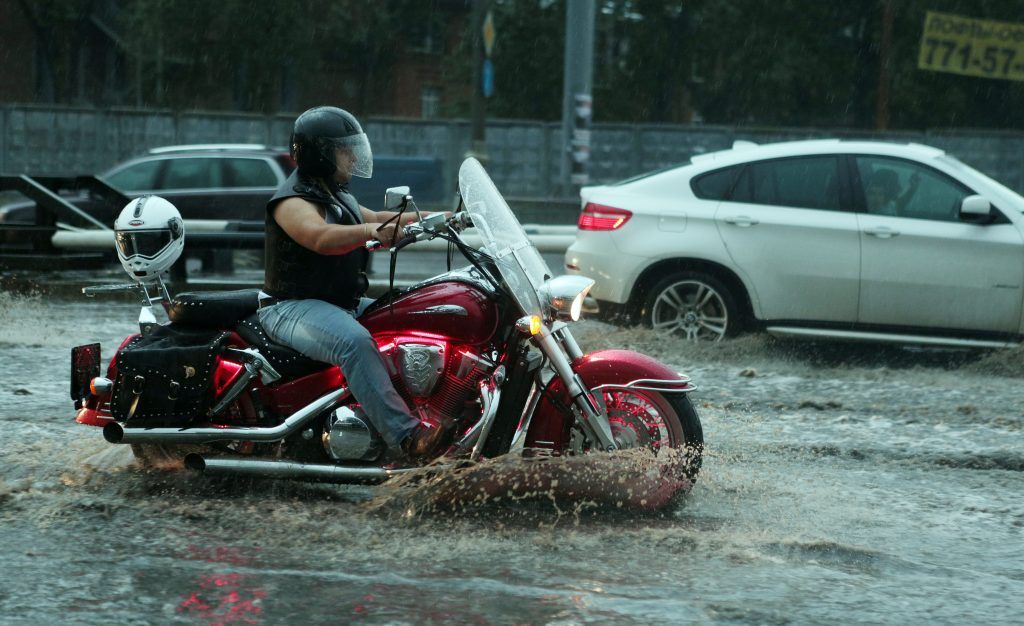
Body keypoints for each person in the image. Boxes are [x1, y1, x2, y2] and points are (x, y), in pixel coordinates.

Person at [256, 105, 448, 462]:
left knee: (408, 314)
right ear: (322, 153)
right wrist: (371, 232)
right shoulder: (293, 199)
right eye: (345, 150)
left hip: (337, 303)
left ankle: (435, 410)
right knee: (354, 342)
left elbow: (379, 217)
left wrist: (443, 220)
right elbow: (320, 236)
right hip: (290, 308)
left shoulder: (337, 194)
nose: (352, 157)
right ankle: (407, 438)